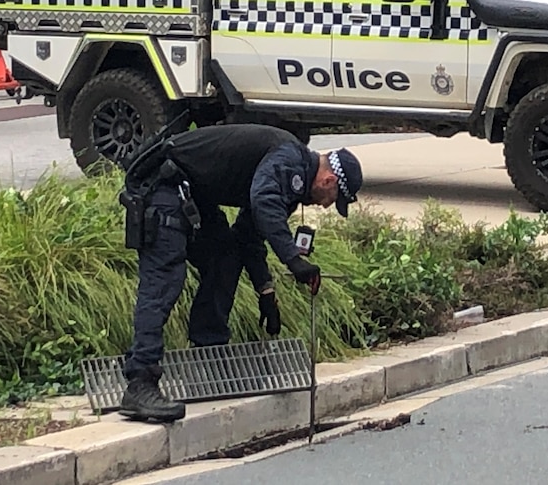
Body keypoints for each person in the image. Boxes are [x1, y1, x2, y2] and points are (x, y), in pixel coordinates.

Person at [117, 123, 364, 423]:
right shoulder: (288, 159)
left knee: (226, 255)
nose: (325, 206)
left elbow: (249, 234)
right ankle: (140, 382)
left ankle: (209, 354)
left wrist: (266, 291)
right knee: (164, 280)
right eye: (332, 200)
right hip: (163, 187)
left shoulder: (289, 175)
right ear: (328, 180)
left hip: (191, 194)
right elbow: (263, 202)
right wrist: (293, 260)